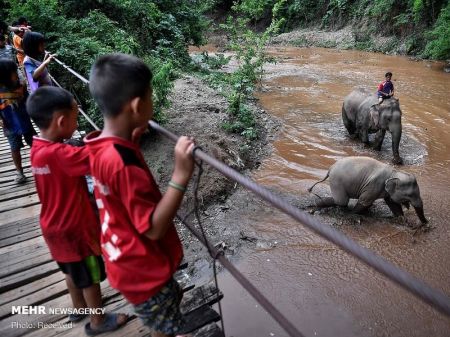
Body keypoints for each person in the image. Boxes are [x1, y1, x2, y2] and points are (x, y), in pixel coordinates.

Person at [85, 53, 195, 337]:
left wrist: (132, 137)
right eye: (151, 97)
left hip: (122, 258)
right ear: (136, 106)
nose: (153, 103)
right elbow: (155, 228)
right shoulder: (123, 164)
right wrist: (181, 174)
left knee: (170, 299)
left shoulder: (98, 145)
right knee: (164, 324)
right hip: (143, 270)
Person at [26, 86, 128, 335]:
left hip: (53, 229)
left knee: (71, 271)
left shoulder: (38, 149)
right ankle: (97, 321)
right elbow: (97, 160)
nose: (77, 121)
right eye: (75, 118)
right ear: (62, 121)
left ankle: (78, 308)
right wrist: (119, 135)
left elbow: (71, 157)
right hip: (76, 230)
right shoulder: (62, 154)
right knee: (90, 277)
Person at [0, 59, 35, 183]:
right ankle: (19, 172)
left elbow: (28, 99)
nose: (17, 73)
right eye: (13, 72)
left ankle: (42, 164)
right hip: (9, 123)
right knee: (14, 148)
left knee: (34, 143)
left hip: (23, 118)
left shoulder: (20, 85)